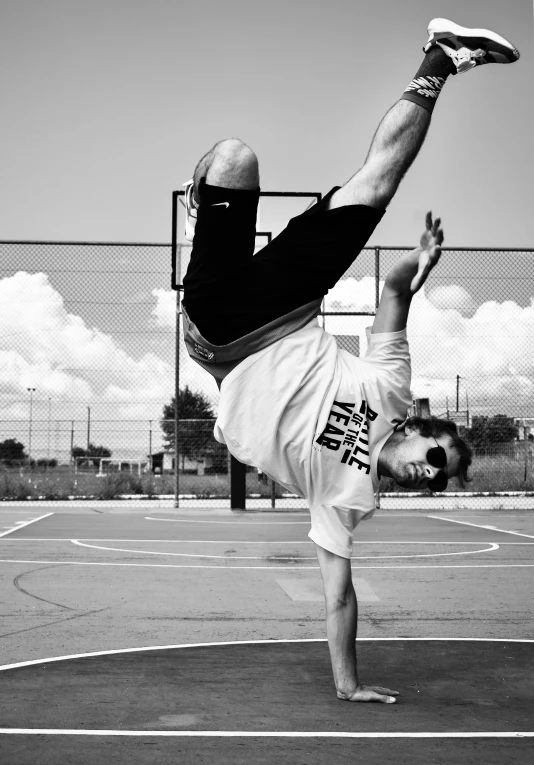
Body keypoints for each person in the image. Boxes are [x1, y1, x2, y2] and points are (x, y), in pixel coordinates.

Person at [180, 18, 519, 704]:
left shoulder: (351, 497)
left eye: (436, 483)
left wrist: (348, 684)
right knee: (268, 163)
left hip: (219, 338)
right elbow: (391, 293)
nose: (430, 477)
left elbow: (338, 593)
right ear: (431, 431)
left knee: (237, 165)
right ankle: (441, 57)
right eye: (440, 461)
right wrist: (417, 268)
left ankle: (207, 215)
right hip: (287, 310)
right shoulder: (392, 385)